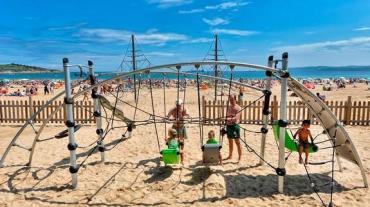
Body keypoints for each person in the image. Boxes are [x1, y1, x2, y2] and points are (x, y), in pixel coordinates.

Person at [224, 95, 242, 162]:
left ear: (235, 99)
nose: (231, 101)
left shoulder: (238, 108)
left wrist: (229, 119)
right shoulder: (228, 107)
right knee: (230, 141)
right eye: (230, 100)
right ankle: (230, 155)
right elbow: (227, 116)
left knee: (237, 142)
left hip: (235, 126)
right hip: (228, 126)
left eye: (232, 100)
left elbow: (236, 118)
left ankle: (239, 157)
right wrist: (226, 120)